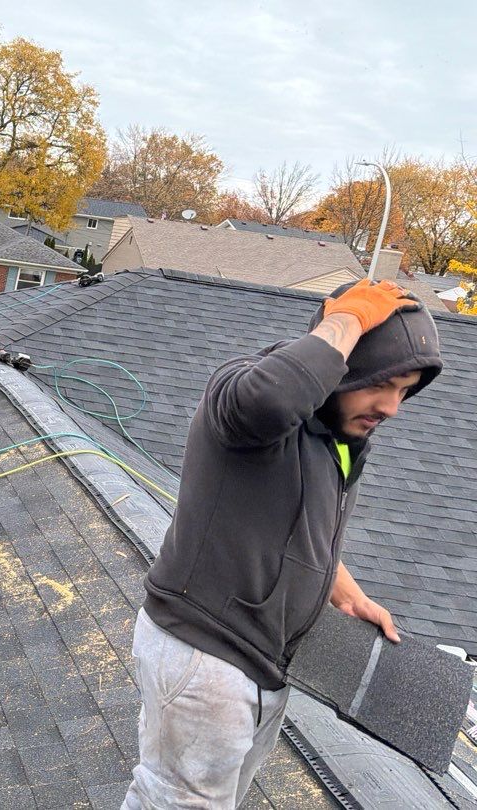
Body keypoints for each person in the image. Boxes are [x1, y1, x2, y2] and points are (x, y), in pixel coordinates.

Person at [124, 279, 443, 808]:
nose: (392, 406)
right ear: (346, 360)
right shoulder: (240, 397)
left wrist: (344, 592)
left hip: (266, 661)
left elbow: (298, 526)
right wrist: (348, 321)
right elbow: (270, 399)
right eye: (384, 383)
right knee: (178, 801)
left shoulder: (338, 439)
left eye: (406, 390)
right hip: (208, 651)